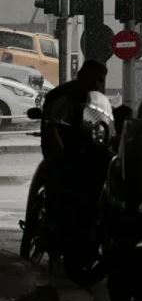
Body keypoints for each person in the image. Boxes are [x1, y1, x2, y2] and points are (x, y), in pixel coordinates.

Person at [39, 60, 113, 261]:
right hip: (63, 149)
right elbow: (52, 125)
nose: (98, 83)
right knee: (58, 184)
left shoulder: (96, 99)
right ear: (84, 75)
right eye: (96, 78)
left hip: (88, 151)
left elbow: (105, 123)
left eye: (101, 80)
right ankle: (52, 232)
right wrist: (60, 150)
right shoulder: (63, 95)